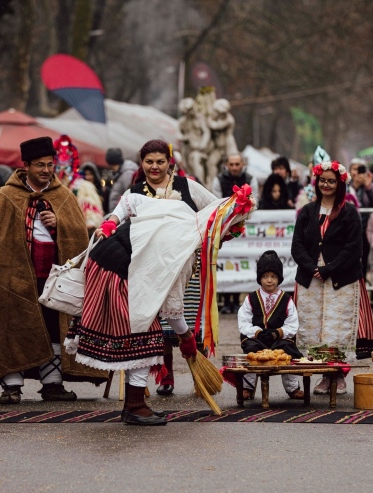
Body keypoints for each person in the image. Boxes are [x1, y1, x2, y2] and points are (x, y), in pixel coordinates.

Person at [76, 170, 254, 425]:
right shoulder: (187, 242)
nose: (223, 241)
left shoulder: (183, 213)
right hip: (115, 269)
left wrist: (114, 219)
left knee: (142, 333)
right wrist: (187, 337)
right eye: (226, 235)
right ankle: (135, 406)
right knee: (143, 335)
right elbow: (171, 307)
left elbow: (132, 202)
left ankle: (133, 405)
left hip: (113, 263)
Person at [0, 137, 107, 403]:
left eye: (50, 165)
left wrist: (59, 224)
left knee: (53, 326)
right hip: (14, 276)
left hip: (52, 276)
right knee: (14, 326)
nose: (46, 170)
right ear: (26, 166)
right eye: (39, 165)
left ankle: (52, 384)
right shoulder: (6, 196)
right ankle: (12, 386)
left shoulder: (63, 196)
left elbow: (79, 236)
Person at [102, 140, 217, 396]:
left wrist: (222, 228)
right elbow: (117, 214)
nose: (154, 167)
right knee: (158, 326)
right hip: (149, 268)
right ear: (142, 163)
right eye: (149, 162)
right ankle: (167, 377)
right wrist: (109, 224)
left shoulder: (187, 186)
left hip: (186, 269)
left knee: (188, 324)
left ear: (169, 162)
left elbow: (215, 208)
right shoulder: (135, 191)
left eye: (160, 161)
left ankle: (201, 380)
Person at [293, 161, 373, 395]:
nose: (326, 184)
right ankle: (322, 375)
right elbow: (297, 245)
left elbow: (354, 248)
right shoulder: (307, 211)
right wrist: (312, 267)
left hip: (341, 279)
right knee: (314, 328)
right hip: (311, 279)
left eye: (331, 181)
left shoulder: (349, 211)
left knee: (335, 329)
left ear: (339, 183)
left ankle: (337, 375)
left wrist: (329, 268)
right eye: (322, 180)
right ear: (316, 182)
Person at [238, 250, 302, 400]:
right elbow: (243, 321)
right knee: (252, 351)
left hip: (278, 339)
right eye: (265, 276)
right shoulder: (251, 299)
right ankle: (247, 387)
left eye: (273, 276)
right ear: (259, 278)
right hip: (257, 338)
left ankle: (292, 388)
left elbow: (292, 324)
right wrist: (257, 332)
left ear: (279, 278)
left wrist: (278, 333)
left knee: (287, 350)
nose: (269, 280)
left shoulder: (287, 299)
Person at [212, 153, 259, 314]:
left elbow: (254, 200)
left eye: (237, 164)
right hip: (225, 224)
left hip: (243, 222)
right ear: (226, 164)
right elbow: (216, 201)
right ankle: (225, 300)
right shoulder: (218, 180)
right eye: (231, 164)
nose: (234, 167)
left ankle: (237, 299)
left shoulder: (250, 178)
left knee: (241, 258)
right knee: (226, 258)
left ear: (242, 164)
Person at [350, 158, 373, 276]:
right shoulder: (345, 185)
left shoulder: (370, 185)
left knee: (364, 260)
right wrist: (355, 186)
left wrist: (368, 187)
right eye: (354, 169)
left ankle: (362, 289)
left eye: (360, 169)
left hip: (365, 228)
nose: (357, 172)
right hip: (349, 229)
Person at [73, 162, 105, 234]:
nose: (88, 177)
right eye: (86, 174)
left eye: (91, 174)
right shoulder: (77, 191)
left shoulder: (103, 191)